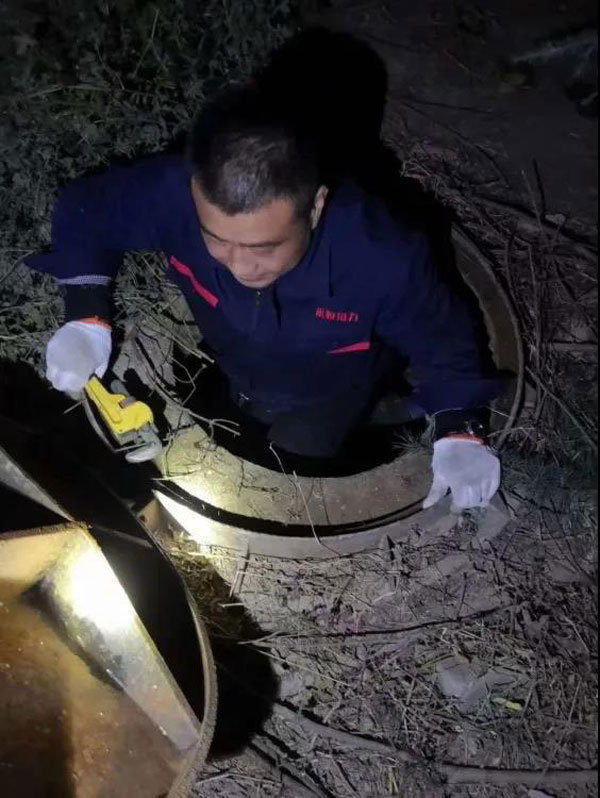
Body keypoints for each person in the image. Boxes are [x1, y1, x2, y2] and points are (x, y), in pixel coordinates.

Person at [27, 85, 502, 511]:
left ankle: (391, 411)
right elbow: (85, 210)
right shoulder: (173, 195)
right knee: (250, 412)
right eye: (217, 240)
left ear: (314, 206)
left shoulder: (381, 255)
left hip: (335, 386)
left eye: (265, 247)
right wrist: (86, 317)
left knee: (295, 453)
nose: (239, 266)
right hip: (239, 367)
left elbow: (443, 335)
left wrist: (460, 427)